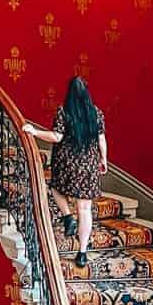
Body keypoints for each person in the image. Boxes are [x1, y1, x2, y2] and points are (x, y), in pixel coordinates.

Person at [23, 76, 108, 268]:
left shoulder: (64, 111)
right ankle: (83, 253)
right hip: (88, 166)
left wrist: (34, 132)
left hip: (67, 163)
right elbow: (101, 139)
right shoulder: (96, 113)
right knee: (85, 210)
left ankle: (68, 216)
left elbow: (56, 136)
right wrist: (103, 159)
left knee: (54, 189)